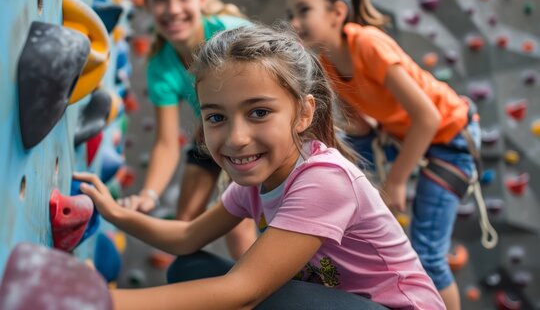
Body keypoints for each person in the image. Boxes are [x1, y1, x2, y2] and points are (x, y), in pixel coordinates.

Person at [76, 24, 445, 309]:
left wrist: (96, 301)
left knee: (251, 295)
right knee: (188, 268)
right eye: (216, 117)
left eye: (259, 112)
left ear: (303, 113)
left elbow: (243, 293)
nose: (236, 137)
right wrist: (113, 213)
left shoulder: (324, 179)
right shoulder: (257, 182)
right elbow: (187, 236)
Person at [287, 0, 497, 310]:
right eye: (291, 14)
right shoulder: (326, 62)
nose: (295, 22)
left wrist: (395, 181)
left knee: (428, 254)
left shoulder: (367, 43)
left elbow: (427, 117)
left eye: (304, 10)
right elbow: (359, 125)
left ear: (337, 13)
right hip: (410, 137)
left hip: (452, 137)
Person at [122, 0, 256, 258]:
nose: (173, 9)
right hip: (215, 137)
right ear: (147, 2)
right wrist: (148, 193)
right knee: (184, 223)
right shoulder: (160, 66)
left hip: (255, 128)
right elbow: (167, 143)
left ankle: (257, 295)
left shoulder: (231, 33)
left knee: (236, 223)